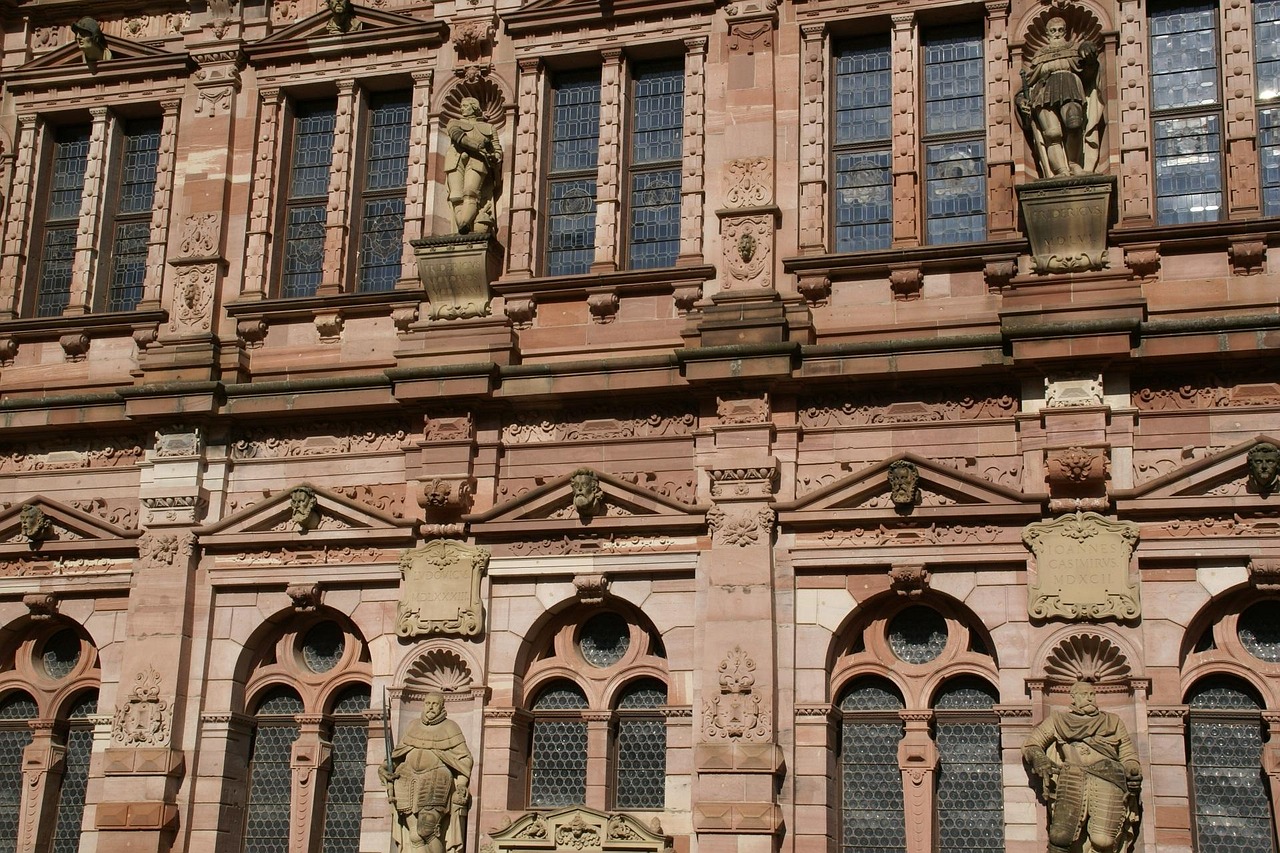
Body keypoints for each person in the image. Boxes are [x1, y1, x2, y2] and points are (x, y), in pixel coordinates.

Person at [1023, 681, 1142, 853]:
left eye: (1092, 694)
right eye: (1084, 694)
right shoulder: (1058, 720)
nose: (1089, 698)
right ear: (1073, 697)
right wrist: (1040, 759)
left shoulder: (1112, 721)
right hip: (1073, 777)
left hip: (1107, 778)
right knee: (1060, 837)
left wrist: (1132, 770)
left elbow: (1127, 754)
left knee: (1103, 841)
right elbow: (1032, 744)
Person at [381, 693, 474, 853]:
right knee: (415, 836)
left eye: (435, 704)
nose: (430, 707)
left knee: (426, 830)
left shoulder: (450, 727)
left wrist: (461, 785)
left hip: (435, 779)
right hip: (406, 779)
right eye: (428, 703)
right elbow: (398, 755)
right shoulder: (413, 725)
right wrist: (385, 768)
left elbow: (464, 759)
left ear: (442, 706)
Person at [1018, 17, 1103, 178]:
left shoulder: (1074, 49)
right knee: (1052, 133)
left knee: (1074, 123)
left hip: (1070, 88)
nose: (1056, 34)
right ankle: (1060, 170)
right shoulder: (1039, 55)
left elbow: (1088, 75)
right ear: (1047, 33)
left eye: (1060, 30)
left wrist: (1090, 59)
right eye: (1053, 30)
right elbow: (1027, 85)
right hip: (1044, 94)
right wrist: (1021, 100)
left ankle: (1074, 164)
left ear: (1065, 31)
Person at [445, 98, 503, 235]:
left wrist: (494, 156)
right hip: (455, 161)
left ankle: (464, 225)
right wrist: (479, 146)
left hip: (478, 161)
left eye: (465, 106)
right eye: (461, 106)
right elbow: (458, 137)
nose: (462, 108)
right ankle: (462, 226)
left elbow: (497, 151)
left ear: (474, 107)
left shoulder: (489, 128)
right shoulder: (453, 123)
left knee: (470, 192)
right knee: (456, 196)